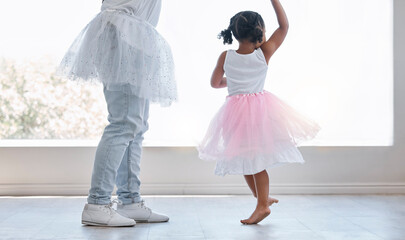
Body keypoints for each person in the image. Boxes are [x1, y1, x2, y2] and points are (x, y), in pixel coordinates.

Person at [198, 0, 320, 225]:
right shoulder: (264, 53)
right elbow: (284, 27)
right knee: (250, 161)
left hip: (235, 113)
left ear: (235, 33)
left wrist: (235, 82)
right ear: (260, 32)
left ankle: (262, 203)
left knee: (249, 161)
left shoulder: (226, 57)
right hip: (260, 111)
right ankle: (262, 199)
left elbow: (215, 83)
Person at [58, 0, 176, 227]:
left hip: (133, 34)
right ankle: (97, 204)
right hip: (124, 32)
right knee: (123, 124)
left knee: (136, 126)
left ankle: (130, 200)